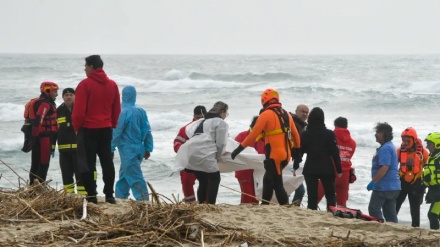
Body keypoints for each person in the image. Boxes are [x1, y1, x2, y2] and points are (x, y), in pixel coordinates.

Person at [231, 88, 301, 205]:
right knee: (268, 179)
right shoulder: (287, 114)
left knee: (277, 184)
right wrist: (297, 153)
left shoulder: (266, 114)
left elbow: (253, 135)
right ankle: (265, 205)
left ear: (264, 100)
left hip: (275, 156)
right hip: (286, 155)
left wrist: (238, 149)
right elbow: (296, 135)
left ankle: (285, 206)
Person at [72, 55, 121, 204]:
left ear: (92, 67)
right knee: (107, 161)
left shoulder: (85, 85)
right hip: (106, 128)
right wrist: (112, 123)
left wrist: (76, 127)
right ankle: (109, 195)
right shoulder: (112, 85)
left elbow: (79, 110)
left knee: (88, 163)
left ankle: (92, 194)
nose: (84, 69)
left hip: (88, 128)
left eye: (86, 66)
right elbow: (116, 108)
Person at [111, 86, 153, 201]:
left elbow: (117, 132)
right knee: (125, 175)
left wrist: (111, 148)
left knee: (134, 176)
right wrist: (148, 148)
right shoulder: (141, 111)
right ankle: (120, 197)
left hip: (127, 149)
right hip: (139, 147)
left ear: (123, 96)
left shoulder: (121, 112)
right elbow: (147, 130)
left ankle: (143, 200)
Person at [297, 107, 342, 210]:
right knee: (330, 194)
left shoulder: (305, 134)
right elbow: (335, 153)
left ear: (310, 118)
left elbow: (300, 151)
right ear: (322, 119)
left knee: (312, 196)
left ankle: (311, 213)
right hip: (326, 168)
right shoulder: (329, 134)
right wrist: (339, 169)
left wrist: (296, 163)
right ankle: (331, 213)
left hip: (310, 168)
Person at [184, 101, 229, 204]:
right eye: (226, 113)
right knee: (215, 179)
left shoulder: (202, 121)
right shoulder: (221, 122)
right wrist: (217, 157)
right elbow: (221, 144)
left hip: (191, 152)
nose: (226, 116)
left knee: (203, 180)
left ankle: (201, 203)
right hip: (205, 153)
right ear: (222, 111)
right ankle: (211, 205)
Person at [317, 117, 356, 207]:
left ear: (335, 125)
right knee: (341, 204)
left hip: (329, 172)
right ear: (346, 126)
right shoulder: (353, 143)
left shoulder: (330, 137)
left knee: (316, 198)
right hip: (345, 175)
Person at [367, 122, 400, 223]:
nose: (375, 134)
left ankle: (379, 226)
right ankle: (394, 230)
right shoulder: (389, 146)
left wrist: (373, 182)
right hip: (394, 187)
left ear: (385, 134)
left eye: (378, 132)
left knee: (373, 208)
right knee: (390, 213)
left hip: (384, 187)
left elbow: (384, 167)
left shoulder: (385, 148)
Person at [173, 105, 207, 203]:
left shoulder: (210, 128)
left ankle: (206, 202)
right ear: (193, 116)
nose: (199, 120)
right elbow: (176, 144)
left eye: (202, 117)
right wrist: (185, 150)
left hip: (205, 159)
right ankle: (190, 202)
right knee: (187, 181)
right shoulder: (185, 129)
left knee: (208, 182)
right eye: (197, 117)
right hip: (189, 160)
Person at [56, 88, 86, 195]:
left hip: (79, 150)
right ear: (63, 97)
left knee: (81, 175)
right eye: (66, 95)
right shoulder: (58, 111)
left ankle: (83, 196)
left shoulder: (81, 109)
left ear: (75, 96)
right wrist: (51, 146)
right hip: (64, 151)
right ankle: (69, 196)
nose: (68, 97)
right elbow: (54, 131)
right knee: (66, 175)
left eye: (71, 94)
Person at [395, 127, 429, 227]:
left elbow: (430, 167)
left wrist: (425, 185)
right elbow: (392, 166)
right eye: (403, 140)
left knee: (415, 208)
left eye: (408, 140)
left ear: (414, 140)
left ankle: (415, 227)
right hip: (402, 182)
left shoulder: (423, 152)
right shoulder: (399, 151)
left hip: (417, 183)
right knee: (395, 204)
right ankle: (390, 224)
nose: (405, 143)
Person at [29, 82, 59, 184]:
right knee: (43, 164)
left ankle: (33, 186)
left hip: (38, 138)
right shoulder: (45, 104)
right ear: (48, 91)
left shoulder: (41, 102)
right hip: (43, 139)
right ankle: (39, 187)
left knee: (35, 164)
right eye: (55, 91)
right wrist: (35, 138)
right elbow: (39, 121)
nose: (57, 94)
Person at [234, 116, 265, 204]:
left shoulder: (265, 137)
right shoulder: (242, 136)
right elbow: (234, 152)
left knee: (256, 197)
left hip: (259, 172)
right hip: (244, 171)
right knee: (247, 196)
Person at [289, 104, 309, 205]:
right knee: (299, 189)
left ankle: (291, 208)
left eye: (306, 112)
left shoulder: (304, 126)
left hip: (295, 161)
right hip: (288, 159)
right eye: (302, 111)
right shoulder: (291, 122)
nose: (305, 114)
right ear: (296, 111)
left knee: (297, 188)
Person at [422, 132, 440, 230]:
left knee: (432, 214)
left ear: (437, 144)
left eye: (429, 144)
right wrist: (423, 187)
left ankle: (435, 237)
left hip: (438, 190)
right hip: (434, 190)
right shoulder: (432, 157)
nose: (427, 146)